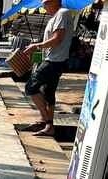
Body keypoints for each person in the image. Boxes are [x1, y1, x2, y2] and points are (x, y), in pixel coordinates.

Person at [23, 0, 75, 137]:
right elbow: (49, 42)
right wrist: (36, 57)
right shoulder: (55, 17)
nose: (43, 6)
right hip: (51, 59)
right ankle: (45, 123)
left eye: (45, 3)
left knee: (30, 87)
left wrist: (37, 46)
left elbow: (57, 39)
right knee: (48, 91)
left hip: (54, 61)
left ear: (54, 2)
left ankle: (47, 121)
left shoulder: (63, 13)